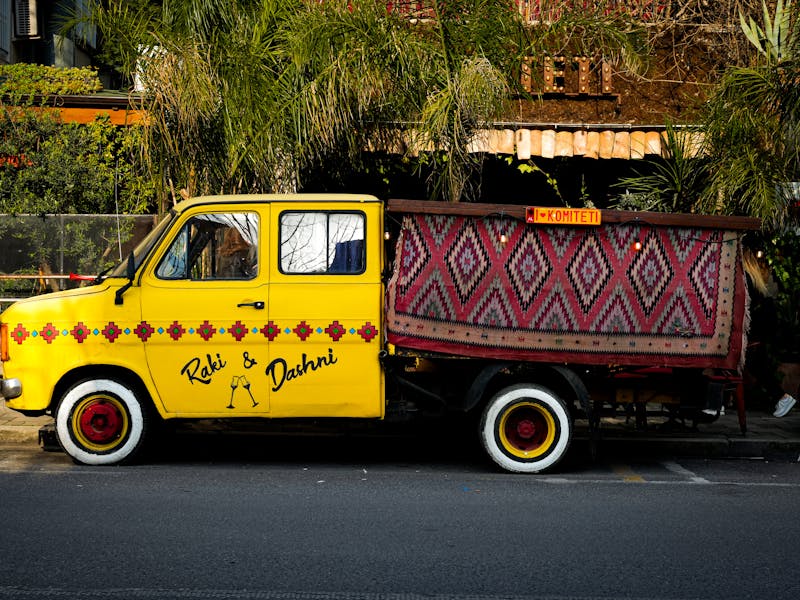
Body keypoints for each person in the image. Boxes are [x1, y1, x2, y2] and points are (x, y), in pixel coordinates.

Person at [742, 249, 796, 417]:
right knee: (757, 367)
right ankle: (782, 398)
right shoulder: (755, 279)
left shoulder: (745, 278)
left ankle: (783, 397)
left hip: (752, 332)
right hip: (759, 332)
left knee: (754, 367)